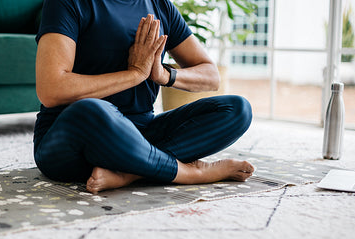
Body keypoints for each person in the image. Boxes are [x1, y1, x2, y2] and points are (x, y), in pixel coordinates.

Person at [33, 0, 255, 194]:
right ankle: (190, 173)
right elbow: (51, 90)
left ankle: (130, 173)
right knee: (93, 109)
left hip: (142, 133)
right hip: (73, 141)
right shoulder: (67, 2)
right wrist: (134, 75)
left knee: (237, 109)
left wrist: (164, 75)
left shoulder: (159, 5)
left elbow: (210, 75)